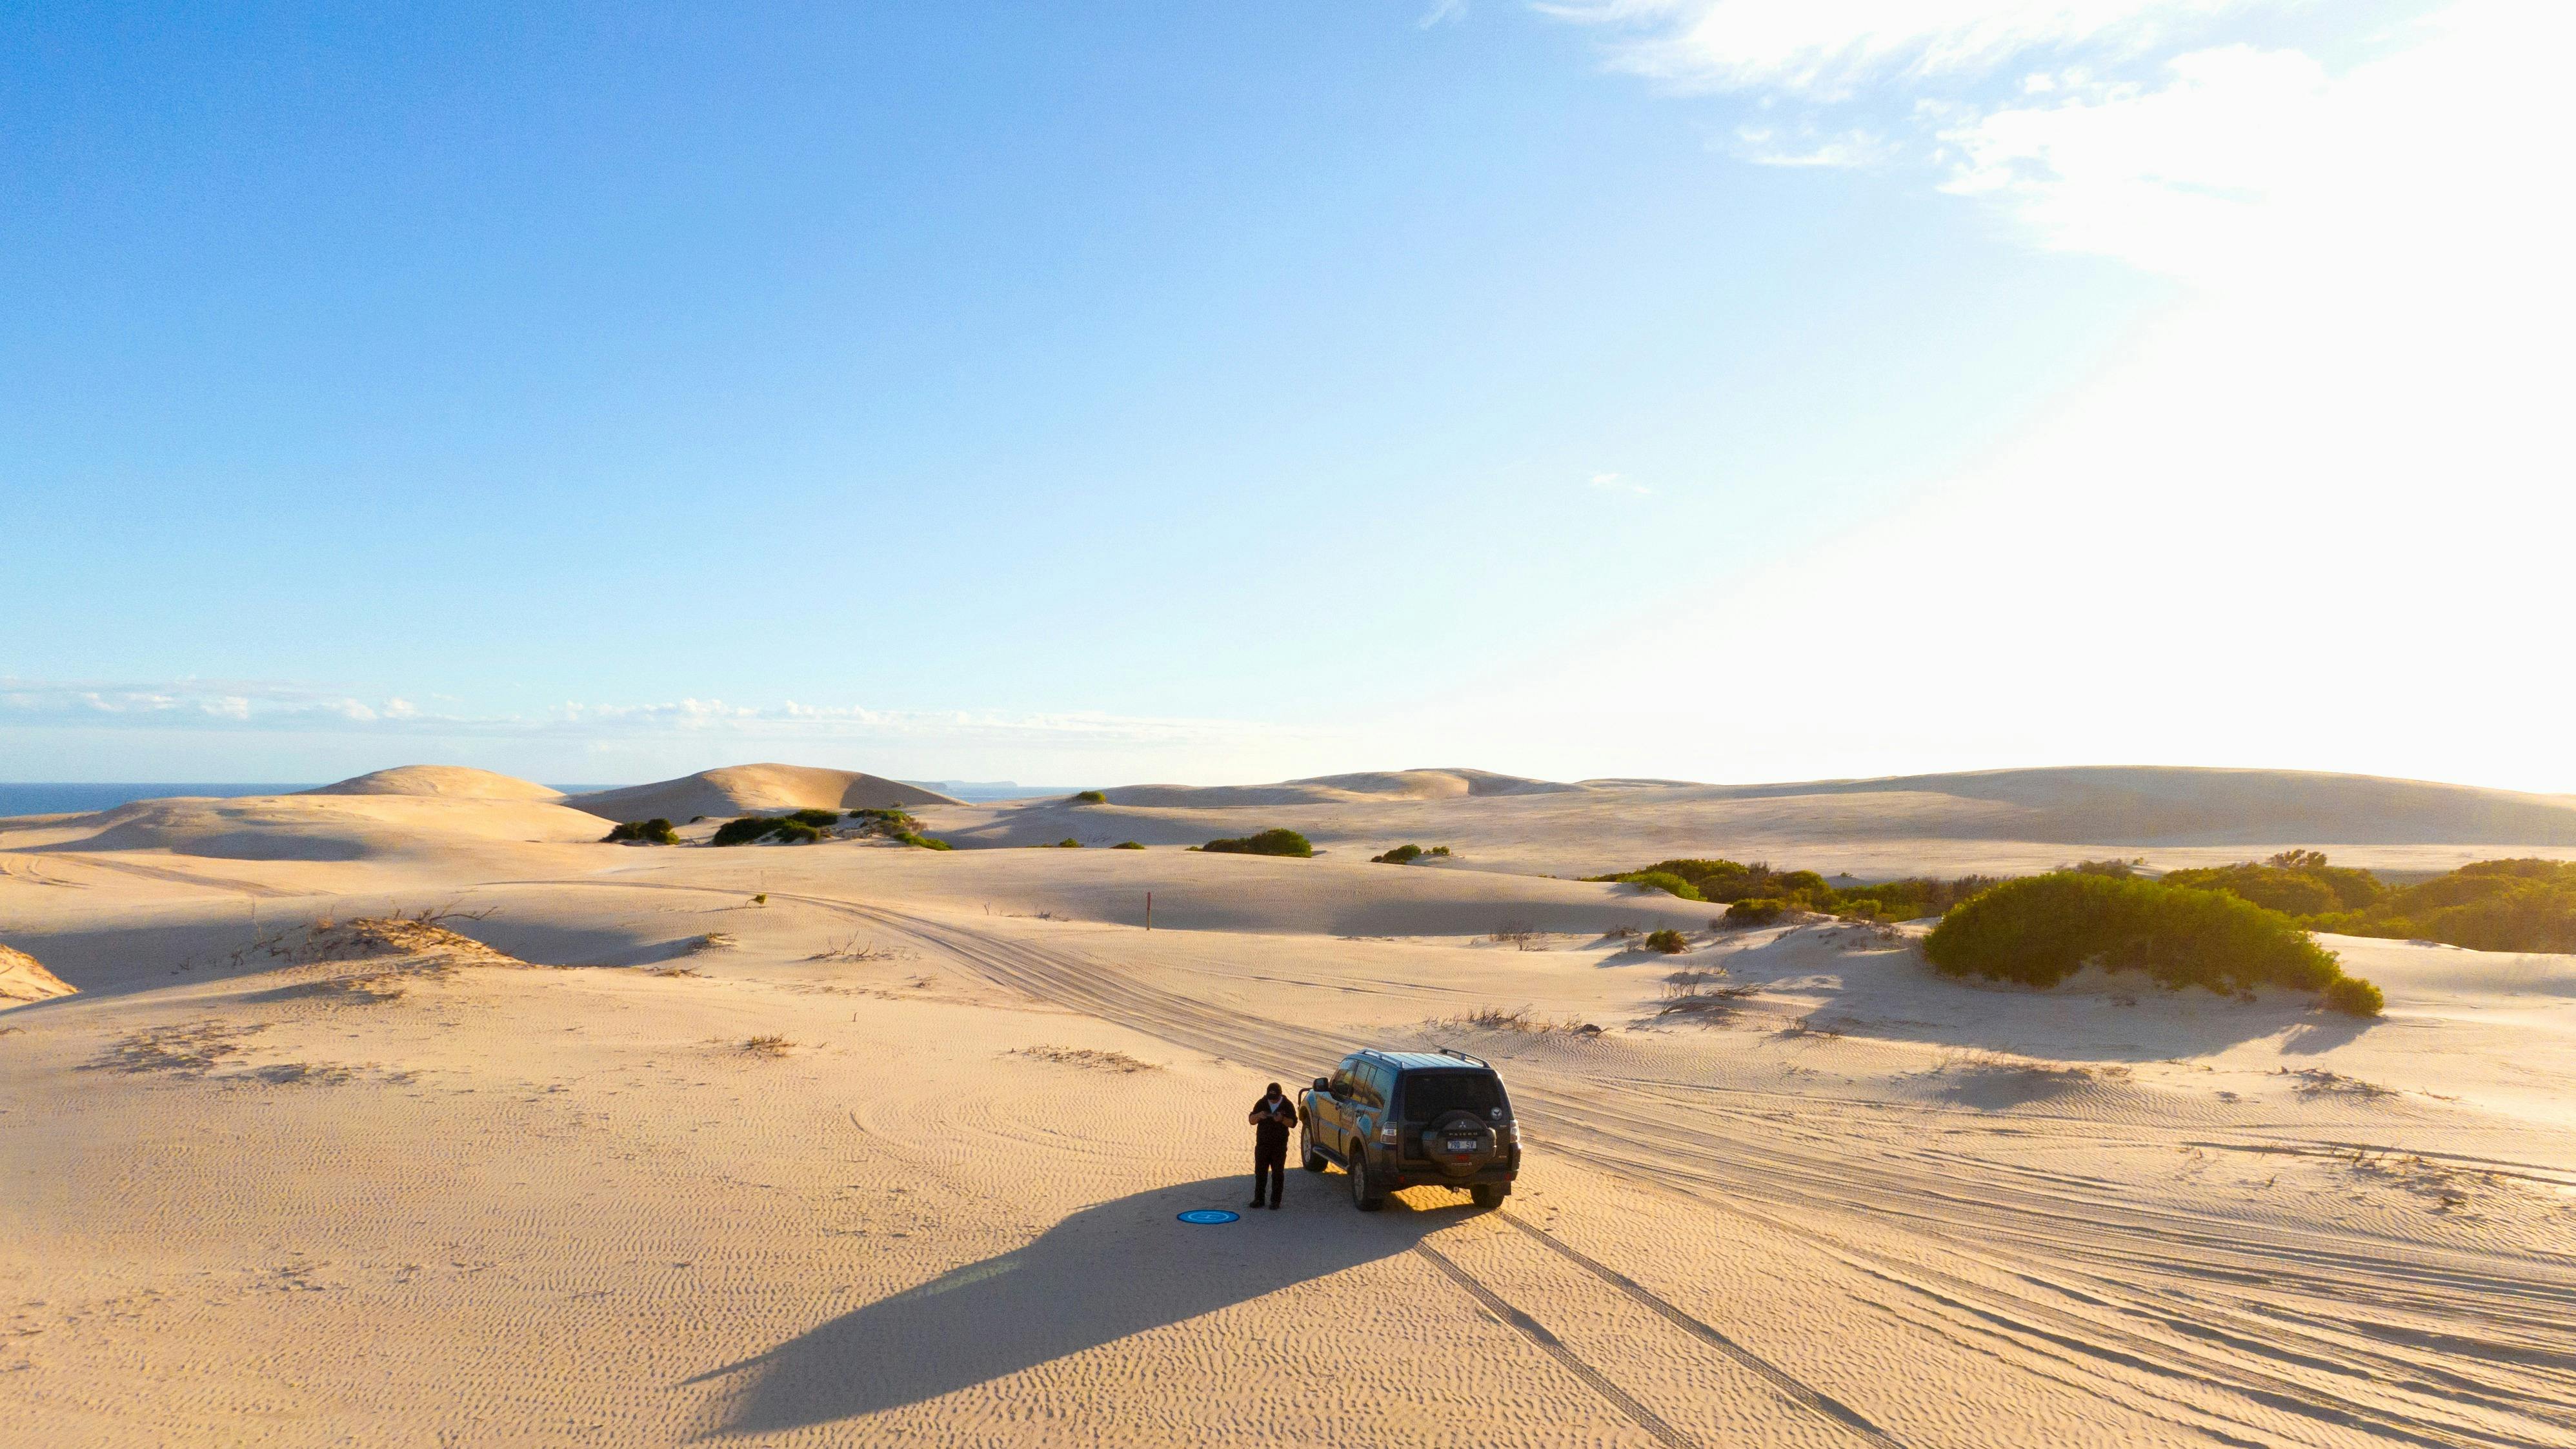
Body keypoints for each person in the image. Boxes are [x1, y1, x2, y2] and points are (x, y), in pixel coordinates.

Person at [1247, 1081, 1299, 1210]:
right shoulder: (1262, 1103)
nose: (1273, 1101)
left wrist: (1282, 1119)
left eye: (1275, 1099)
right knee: (1260, 1172)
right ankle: (1259, 1199)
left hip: (1279, 1145)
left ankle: (1276, 1201)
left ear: (1280, 1096)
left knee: (1278, 1173)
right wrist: (1259, 1116)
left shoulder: (1287, 1105)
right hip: (1263, 1144)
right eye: (1271, 1099)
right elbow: (1251, 1120)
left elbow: (1293, 1123)